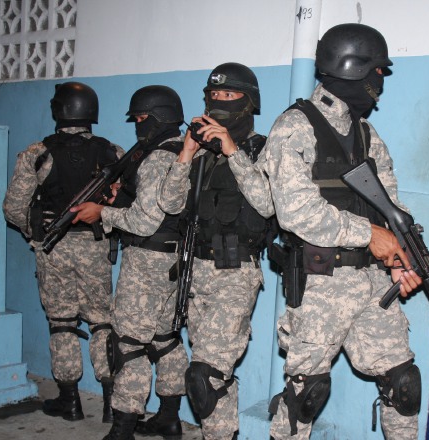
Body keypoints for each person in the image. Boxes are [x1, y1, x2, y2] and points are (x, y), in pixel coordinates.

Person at [261, 23, 423, 440]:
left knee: (403, 384)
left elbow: (391, 206)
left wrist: (402, 256)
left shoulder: (368, 135)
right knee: (306, 394)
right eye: (378, 73)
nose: (380, 84)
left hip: (371, 281)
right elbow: (297, 213)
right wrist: (370, 235)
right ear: (353, 68)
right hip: (320, 283)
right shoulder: (294, 126)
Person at [157, 62, 276, 440]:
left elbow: (267, 203)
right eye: (215, 95)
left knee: (205, 374)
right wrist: (187, 153)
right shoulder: (200, 154)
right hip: (195, 270)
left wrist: (232, 151)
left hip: (235, 272)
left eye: (230, 95)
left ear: (249, 101)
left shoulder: (264, 150)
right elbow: (169, 203)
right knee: (212, 376)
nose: (220, 101)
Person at [70, 85, 190, 439]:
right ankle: (169, 417)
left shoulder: (157, 158)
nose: (138, 125)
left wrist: (102, 212)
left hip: (147, 261)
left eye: (141, 119)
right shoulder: (181, 152)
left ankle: (122, 429)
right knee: (166, 339)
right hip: (173, 260)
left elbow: (143, 221)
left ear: (160, 117)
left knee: (129, 345)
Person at [2, 81, 122, 423]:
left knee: (62, 323)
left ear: (58, 111)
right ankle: (112, 404)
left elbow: (13, 208)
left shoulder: (37, 153)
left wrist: (35, 233)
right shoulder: (111, 151)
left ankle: (70, 402)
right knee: (102, 321)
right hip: (96, 244)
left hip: (53, 248)